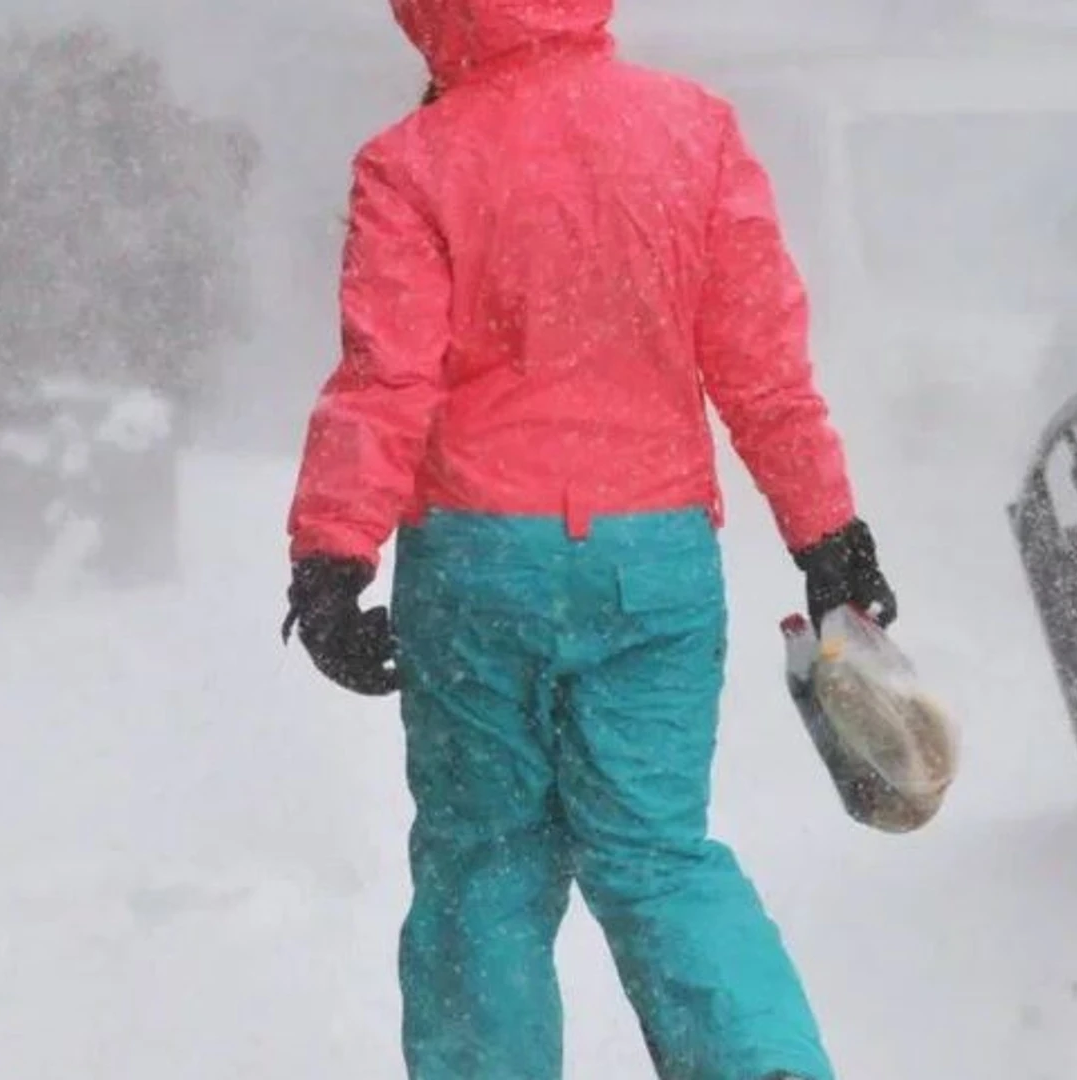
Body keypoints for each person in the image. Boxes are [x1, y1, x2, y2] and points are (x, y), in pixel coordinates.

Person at [279, 2, 897, 1078]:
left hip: (480, 569)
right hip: (652, 563)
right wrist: (825, 529)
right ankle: (758, 1063)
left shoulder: (414, 160)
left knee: (486, 872)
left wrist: (333, 559)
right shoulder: (690, 131)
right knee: (658, 856)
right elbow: (760, 367)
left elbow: (388, 379)